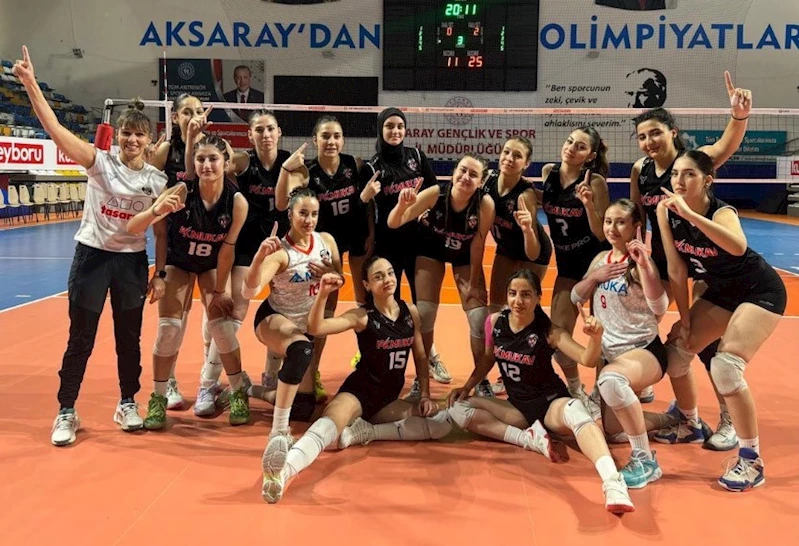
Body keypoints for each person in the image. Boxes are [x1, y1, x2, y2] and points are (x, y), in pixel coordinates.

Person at [13, 46, 168, 445]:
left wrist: (161, 273)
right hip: (92, 259)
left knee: (128, 339)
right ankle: (66, 409)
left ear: (149, 140)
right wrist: (31, 84)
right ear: (118, 135)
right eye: (126, 133)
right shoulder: (99, 162)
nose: (132, 139)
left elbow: (162, 233)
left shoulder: (157, 182)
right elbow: (55, 130)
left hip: (132, 263)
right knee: (80, 338)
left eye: (139, 134)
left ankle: (127, 402)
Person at [260, 259, 452, 503]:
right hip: (359, 393)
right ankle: (282, 473)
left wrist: (425, 395)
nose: (387, 280)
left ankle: (366, 432)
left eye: (390, 273)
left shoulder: (409, 312)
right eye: (379, 276)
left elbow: (422, 357)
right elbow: (316, 328)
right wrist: (323, 294)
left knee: (442, 422)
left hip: (388, 399)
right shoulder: (362, 316)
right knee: (327, 427)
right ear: (367, 285)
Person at [631, 72, 752, 449]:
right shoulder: (640, 170)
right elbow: (638, 216)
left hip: (703, 264)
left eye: (655, 133)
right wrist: (636, 259)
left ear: (672, 132)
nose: (649, 142)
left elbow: (725, 145)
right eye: (642, 136)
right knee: (640, 319)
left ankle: (729, 418)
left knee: (705, 343)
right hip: (667, 260)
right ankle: (650, 388)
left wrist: (738, 115)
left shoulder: (693, 163)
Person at [447, 269, 634, 513]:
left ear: (537, 297)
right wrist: (467, 386)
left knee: (576, 410)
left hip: (549, 405)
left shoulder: (549, 331)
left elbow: (587, 359)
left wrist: (596, 338)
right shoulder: (494, 322)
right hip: (517, 408)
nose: (518, 301)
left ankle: (613, 482)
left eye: (526, 295)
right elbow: (488, 358)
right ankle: (529, 439)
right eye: (513, 293)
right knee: (458, 406)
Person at [657, 150, 785, 491]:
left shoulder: (720, 211)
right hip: (722, 294)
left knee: (725, 367)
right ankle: (690, 423)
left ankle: (751, 461)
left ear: (707, 181)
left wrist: (690, 215)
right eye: (675, 174)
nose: (679, 181)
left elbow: (738, 247)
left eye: (690, 174)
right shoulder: (665, 211)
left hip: (760, 291)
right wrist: (685, 318)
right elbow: (676, 269)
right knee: (676, 352)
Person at [128, 134, 249, 428]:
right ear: (193, 163)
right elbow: (157, 233)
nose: (207, 165)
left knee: (223, 328)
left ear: (225, 163)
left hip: (211, 265)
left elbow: (227, 250)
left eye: (213, 159)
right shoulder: (179, 193)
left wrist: (219, 290)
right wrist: (158, 274)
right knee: (168, 330)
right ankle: (158, 398)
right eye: (201, 159)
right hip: (178, 262)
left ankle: (237, 392)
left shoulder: (236, 202)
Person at [571, 199, 674, 489]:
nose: (612, 228)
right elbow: (576, 297)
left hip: (642, 351)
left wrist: (645, 265)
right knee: (615, 433)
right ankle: (670, 420)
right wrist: (594, 277)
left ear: (635, 227)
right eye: (608, 221)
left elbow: (660, 307)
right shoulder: (600, 259)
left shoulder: (640, 261)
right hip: (612, 355)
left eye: (620, 222)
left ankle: (645, 460)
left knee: (611, 381)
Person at [276, 115, 377, 402]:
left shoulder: (355, 165)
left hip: (356, 236)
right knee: (326, 307)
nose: (331, 141)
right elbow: (285, 203)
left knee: (365, 299)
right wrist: (287, 170)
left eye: (336, 136)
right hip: (324, 244)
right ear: (315, 140)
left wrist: (371, 233)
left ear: (343, 140)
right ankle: (313, 371)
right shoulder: (307, 172)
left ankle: (368, 357)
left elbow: (369, 204)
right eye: (325, 136)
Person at [242, 187, 342, 471]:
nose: (309, 220)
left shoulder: (326, 241)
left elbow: (340, 278)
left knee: (304, 407)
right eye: (303, 214)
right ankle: (278, 432)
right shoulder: (281, 254)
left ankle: (253, 390)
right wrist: (259, 258)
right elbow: (249, 291)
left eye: (314, 214)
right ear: (290, 214)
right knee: (301, 350)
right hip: (275, 318)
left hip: (305, 325)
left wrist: (333, 276)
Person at [387, 154, 494, 398]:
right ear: (454, 171)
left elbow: (478, 244)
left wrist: (473, 284)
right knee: (424, 315)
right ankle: (421, 379)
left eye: (473, 174)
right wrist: (402, 206)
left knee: (479, 318)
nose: (466, 177)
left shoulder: (484, 204)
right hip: (430, 252)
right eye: (462, 170)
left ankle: (481, 380)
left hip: (464, 257)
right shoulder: (436, 193)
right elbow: (394, 222)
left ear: (481, 181)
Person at [360, 107, 450, 384]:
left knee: (423, 308)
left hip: (420, 242)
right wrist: (370, 232)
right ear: (381, 129)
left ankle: (431, 356)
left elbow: (434, 192)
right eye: (390, 126)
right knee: (390, 305)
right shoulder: (373, 167)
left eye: (400, 126)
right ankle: (380, 357)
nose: (395, 131)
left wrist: (427, 214)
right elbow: (366, 209)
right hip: (389, 245)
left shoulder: (417, 157)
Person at [148, 93, 216, 411]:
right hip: (176, 245)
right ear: (175, 117)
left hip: (209, 245)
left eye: (198, 111)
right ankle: (169, 381)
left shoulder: (214, 149)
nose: (193, 116)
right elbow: (148, 190)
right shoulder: (165, 150)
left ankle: (208, 382)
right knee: (172, 324)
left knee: (218, 320)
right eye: (186, 112)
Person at [541, 126, 610, 413]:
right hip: (566, 266)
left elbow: (602, 233)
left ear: (590, 156)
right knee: (557, 335)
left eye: (580, 147)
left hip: (595, 267)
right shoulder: (548, 173)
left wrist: (589, 205)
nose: (571, 148)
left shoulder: (595, 182)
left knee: (604, 336)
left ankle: (603, 395)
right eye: (570, 142)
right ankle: (574, 388)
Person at [483, 136, 552, 395]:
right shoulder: (487, 181)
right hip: (506, 249)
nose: (509, 158)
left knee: (522, 309)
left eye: (517, 155)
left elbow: (532, 251)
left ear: (526, 164)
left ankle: (530, 363)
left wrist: (527, 229)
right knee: (495, 308)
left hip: (533, 252)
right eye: (506, 152)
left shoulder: (525, 196)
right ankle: (496, 367)